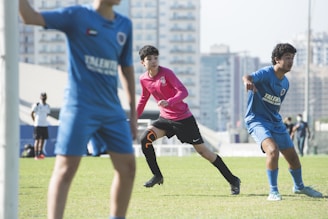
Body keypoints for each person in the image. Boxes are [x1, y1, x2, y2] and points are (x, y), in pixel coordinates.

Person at [19, 1, 137, 219]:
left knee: (128, 168)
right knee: (65, 169)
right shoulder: (76, 15)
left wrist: (133, 112)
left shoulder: (124, 25)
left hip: (111, 110)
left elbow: (127, 69)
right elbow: (29, 17)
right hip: (80, 107)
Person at [136, 45, 241, 195]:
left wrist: (170, 101)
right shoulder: (143, 79)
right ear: (142, 63)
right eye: (149, 59)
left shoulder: (167, 73)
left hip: (183, 119)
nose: (153, 61)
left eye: (155, 58)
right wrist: (134, 118)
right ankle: (157, 175)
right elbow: (143, 99)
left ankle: (233, 180)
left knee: (204, 152)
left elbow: (184, 91)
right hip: (165, 119)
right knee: (145, 139)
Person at [242, 43, 322, 201]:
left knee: (293, 157)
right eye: (287, 58)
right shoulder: (266, 73)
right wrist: (247, 82)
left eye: (292, 58)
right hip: (256, 120)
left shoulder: (286, 83)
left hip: (275, 122)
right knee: (272, 151)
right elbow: (248, 76)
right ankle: (273, 192)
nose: (291, 61)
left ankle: (299, 187)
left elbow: (275, 105)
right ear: (277, 60)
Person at [31, 92, 51, 160]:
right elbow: (32, 113)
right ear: (40, 97)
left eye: (44, 96)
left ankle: (40, 153)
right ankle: (36, 155)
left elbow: (47, 114)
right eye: (42, 96)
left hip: (44, 125)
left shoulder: (47, 106)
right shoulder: (37, 105)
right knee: (37, 140)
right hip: (38, 124)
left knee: (42, 140)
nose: (43, 98)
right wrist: (34, 121)